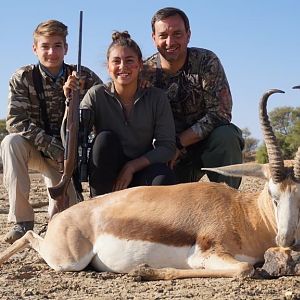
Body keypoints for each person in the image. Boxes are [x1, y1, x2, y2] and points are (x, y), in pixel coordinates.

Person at [0, 20, 102, 244]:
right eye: (45, 46)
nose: (52, 52)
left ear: (66, 48)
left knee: (71, 219)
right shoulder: (22, 77)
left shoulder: (85, 77)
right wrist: (52, 146)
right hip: (37, 151)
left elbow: (107, 107)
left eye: (57, 46)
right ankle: (23, 221)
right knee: (10, 142)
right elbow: (16, 121)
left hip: (68, 159)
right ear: (35, 48)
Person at [64, 31, 176, 197]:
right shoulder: (96, 94)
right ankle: (101, 206)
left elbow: (166, 147)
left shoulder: (157, 97)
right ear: (108, 67)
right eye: (116, 61)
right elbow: (70, 137)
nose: (123, 67)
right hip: (107, 173)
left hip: (142, 169)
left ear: (139, 64)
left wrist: (131, 167)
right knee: (104, 140)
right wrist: (69, 103)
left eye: (129, 61)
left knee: (163, 178)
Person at [143, 7, 244, 189]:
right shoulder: (143, 73)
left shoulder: (207, 61)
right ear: (153, 38)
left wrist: (179, 143)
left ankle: (228, 202)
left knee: (227, 136)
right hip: (165, 155)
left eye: (177, 34)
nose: (170, 41)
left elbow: (221, 113)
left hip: (204, 146)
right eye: (163, 35)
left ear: (188, 35)